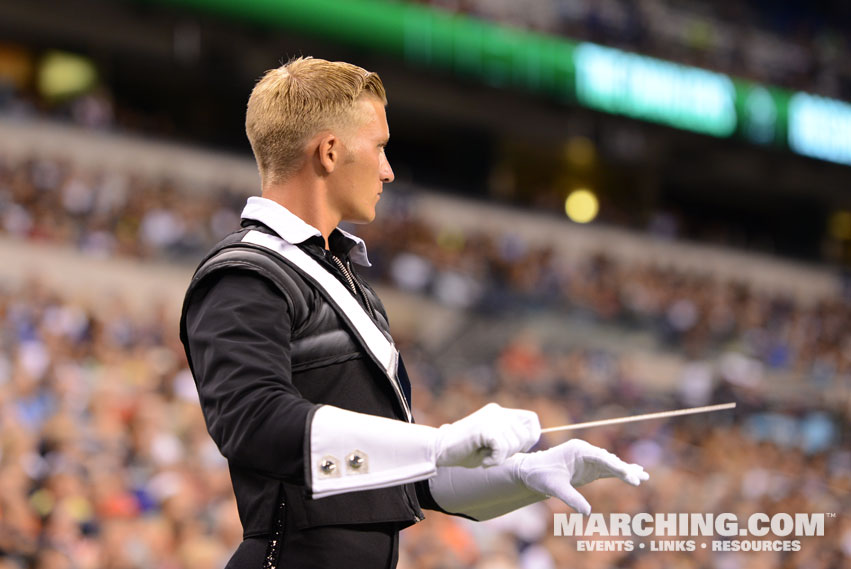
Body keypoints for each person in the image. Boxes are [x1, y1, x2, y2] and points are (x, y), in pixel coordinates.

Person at [179, 57, 648, 569]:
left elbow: (402, 476)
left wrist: (521, 476)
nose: (388, 168)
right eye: (379, 146)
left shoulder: (345, 280)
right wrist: (439, 441)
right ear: (330, 152)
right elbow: (254, 422)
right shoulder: (246, 275)